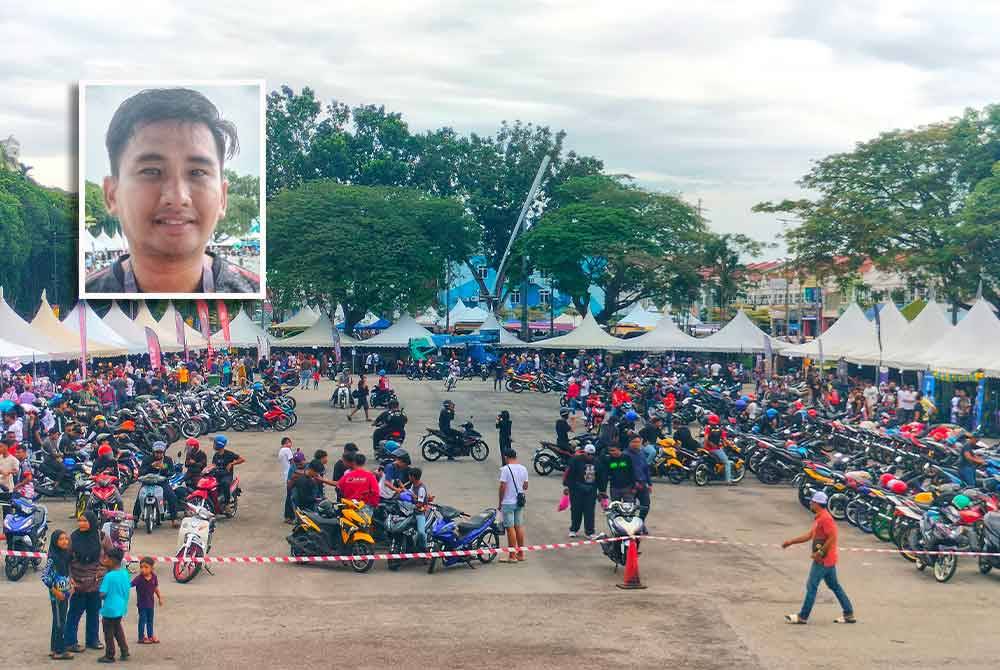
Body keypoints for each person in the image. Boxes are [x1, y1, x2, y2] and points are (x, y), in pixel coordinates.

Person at [84, 87, 259, 294]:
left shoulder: (252, 292)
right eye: (151, 171)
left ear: (222, 197)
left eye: (197, 172)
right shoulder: (78, 309)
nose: (178, 197)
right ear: (111, 194)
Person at [782, 491, 856, 625]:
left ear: (817, 503)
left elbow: (833, 537)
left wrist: (820, 552)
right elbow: (810, 535)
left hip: (823, 560)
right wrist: (791, 542)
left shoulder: (826, 518)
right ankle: (848, 613)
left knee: (812, 586)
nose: (810, 503)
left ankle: (803, 616)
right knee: (834, 586)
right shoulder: (820, 517)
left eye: (812, 501)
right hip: (828, 559)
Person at [65, 512, 113, 653]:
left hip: (96, 582)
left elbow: (112, 557)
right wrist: (70, 578)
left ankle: (92, 640)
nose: (81, 524)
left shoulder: (102, 537)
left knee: (94, 613)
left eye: (85, 521)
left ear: (92, 522)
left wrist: (108, 576)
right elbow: (66, 560)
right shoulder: (72, 538)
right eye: (80, 521)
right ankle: (70, 642)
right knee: (74, 614)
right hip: (78, 583)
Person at [41, 529, 74, 660]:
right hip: (56, 596)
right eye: (61, 539)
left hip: (65, 593)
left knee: (59, 620)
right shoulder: (52, 558)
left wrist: (70, 583)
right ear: (55, 541)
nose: (65, 541)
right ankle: (60, 651)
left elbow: (66, 572)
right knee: (60, 622)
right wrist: (56, 591)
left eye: (66, 538)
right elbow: (45, 577)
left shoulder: (65, 554)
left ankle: (54, 648)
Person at [97, 547, 131, 663]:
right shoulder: (125, 573)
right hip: (121, 607)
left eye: (106, 558)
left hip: (110, 609)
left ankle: (110, 654)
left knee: (108, 632)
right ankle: (124, 650)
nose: (104, 560)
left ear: (112, 560)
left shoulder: (109, 576)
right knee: (118, 629)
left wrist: (98, 588)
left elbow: (102, 594)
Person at [132, 442, 179, 524]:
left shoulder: (168, 460)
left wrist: (164, 468)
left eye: (161, 452)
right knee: (140, 498)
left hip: (162, 482)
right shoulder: (147, 459)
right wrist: (151, 466)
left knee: (172, 497)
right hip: (148, 482)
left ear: (163, 452)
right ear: (153, 452)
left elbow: (171, 472)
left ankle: (174, 519)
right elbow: (141, 472)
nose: (159, 454)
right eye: (157, 452)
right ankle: (135, 519)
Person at [562, 444, 600, 539]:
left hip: (591, 490)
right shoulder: (575, 460)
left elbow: (600, 476)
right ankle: (573, 529)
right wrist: (568, 486)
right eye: (588, 454)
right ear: (584, 452)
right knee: (576, 510)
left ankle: (590, 532)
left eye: (592, 454)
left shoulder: (597, 462)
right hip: (576, 490)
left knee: (589, 511)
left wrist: (601, 490)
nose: (590, 456)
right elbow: (569, 475)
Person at [498, 449, 528, 563]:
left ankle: (512, 556)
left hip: (508, 502)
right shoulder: (523, 468)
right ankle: (521, 554)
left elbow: (502, 487)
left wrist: (500, 502)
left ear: (506, 457)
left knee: (510, 529)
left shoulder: (505, 469)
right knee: (519, 527)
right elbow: (525, 486)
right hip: (519, 502)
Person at [131, 557, 163, 644]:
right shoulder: (138, 579)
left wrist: (160, 598)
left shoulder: (154, 577)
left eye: (146, 567)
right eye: (141, 567)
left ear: (152, 568)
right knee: (142, 620)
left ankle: (150, 636)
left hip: (150, 604)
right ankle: (141, 637)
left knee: (150, 621)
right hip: (142, 605)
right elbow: (129, 585)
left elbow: (156, 588)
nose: (143, 569)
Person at [211, 435, 244, 508]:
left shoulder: (229, 454)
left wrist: (232, 463)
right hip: (217, 474)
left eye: (215, 443)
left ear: (219, 445)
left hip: (227, 475)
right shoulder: (216, 455)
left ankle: (227, 503)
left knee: (225, 483)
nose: (213, 445)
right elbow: (213, 465)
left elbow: (241, 459)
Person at [626, 436, 652, 521]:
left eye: (638, 442)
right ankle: (631, 524)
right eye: (634, 442)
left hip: (642, 484)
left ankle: (640, 522)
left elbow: (646, 469)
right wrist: (633, 483)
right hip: (630, 486)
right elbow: (624, 472)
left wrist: (649, 484)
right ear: (629, 443)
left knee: (646, 505)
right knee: (630, 508)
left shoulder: (641, 454)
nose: (636, 444)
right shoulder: (625, 455)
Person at [703, 414, 733, 485]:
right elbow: (725, 440)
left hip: (706, 449)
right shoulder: (720, 430)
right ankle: (728, 481)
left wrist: (705, 446)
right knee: (727, 462)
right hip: (715, 449)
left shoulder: (707, 428)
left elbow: (705, 439)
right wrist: (730, 444)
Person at [408, 467, 430, 550]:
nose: (408, 478)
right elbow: (409, 493)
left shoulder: (421, 488)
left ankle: (424, 549)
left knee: (421, 532)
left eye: (409, 476)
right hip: (411, 512)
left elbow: (420, 504)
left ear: (413, 477)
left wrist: (411, 506)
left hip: (420, 513)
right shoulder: (413, 485)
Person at [284, 452, 307, 522]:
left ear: (304, 460)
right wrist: (293, 479)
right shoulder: (292, 467)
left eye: (300, 462)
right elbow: (289, 484)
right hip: (296, 487)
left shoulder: (308, 466)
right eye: (296, 462)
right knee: (292, 495)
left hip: (306, 487)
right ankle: (291, 516)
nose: (298, 464)